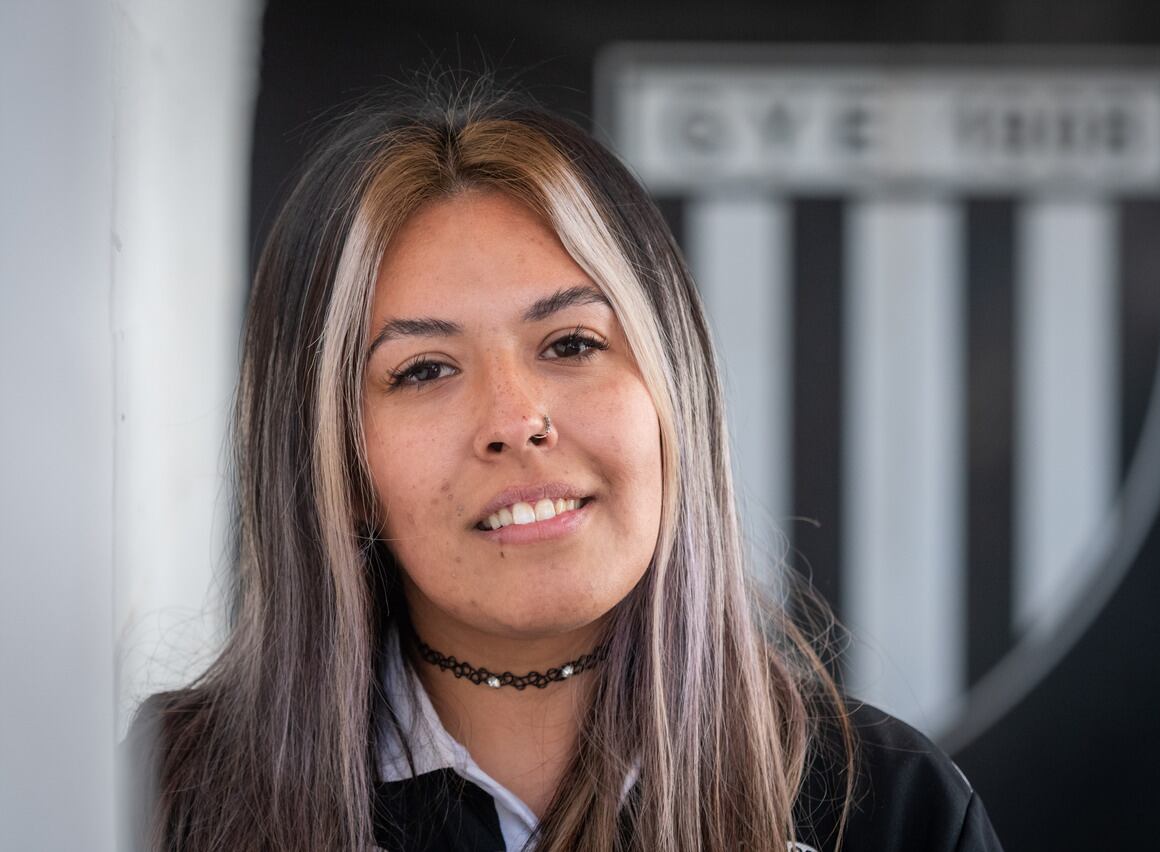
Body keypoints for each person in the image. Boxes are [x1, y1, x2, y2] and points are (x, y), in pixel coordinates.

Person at [124, 78, 1003, 852]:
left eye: (572, 342)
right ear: (336, 464)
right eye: (423, 371)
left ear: (674, 395)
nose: (514, 420)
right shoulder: (167, 801)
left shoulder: (889, 809)